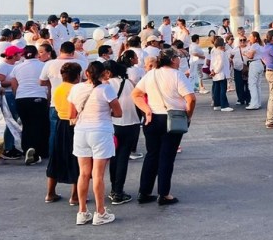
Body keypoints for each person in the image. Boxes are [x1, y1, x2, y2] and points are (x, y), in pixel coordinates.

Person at [131, 49, 197, 205]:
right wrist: (188, 115)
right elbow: (191, 98)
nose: (179, 60)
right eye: (178, 57)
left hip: (152, 117)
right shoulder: (177, 75)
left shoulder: (151, 74)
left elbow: (136, 94)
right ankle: (164, 193)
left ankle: (144, 192)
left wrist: (146, 109)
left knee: (152, 155)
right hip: (172, 118)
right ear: (173, 60)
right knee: (167, 156)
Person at [69, 62, 122, 226]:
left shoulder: (76, 89)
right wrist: (106, 111)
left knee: (83, 173)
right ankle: (100, 212)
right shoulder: (106, 89)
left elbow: (71, 114)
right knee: (98, 174)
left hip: (81, 132)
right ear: (103, 74)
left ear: (86, 73)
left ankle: (82, 212)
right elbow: (118, 113)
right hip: (101, 131)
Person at [103, 60, 141, 205]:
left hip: (114, 125)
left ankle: (115, 190)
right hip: (132, 124)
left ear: (108, 72)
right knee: (123, 158)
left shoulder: (106, 85)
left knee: (113, 157)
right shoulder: (130, 82)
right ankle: (118, 190)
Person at [45, 62, 82, 205]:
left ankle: (50, 193)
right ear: (77, 75)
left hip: (61, 123)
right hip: (74, 124)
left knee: (56, 156)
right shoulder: (77, 89)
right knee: (76, 158)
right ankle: (75, 196)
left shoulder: (59, 89)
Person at [12, 45, 53, 165]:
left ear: (24, 55)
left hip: (22, 99)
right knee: (38, 125)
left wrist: (17, 96)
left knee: (26, 125)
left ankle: (27, 149)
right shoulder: (43, 65)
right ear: (36, 54)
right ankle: (37, 151)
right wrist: (48, 99)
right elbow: (48, 84)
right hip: (38, 97)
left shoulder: (17, 67)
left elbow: (14, 85)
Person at [209, 37, 233, 112]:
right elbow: (221, 64)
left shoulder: (213, 51)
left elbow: (212, 63)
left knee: (216, 89)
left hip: (215, 74)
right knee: (223, 90)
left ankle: (217, 104)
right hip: (221, 73)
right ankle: (224, 105)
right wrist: (216, 71)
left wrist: (212, 71)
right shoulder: (221, 53)